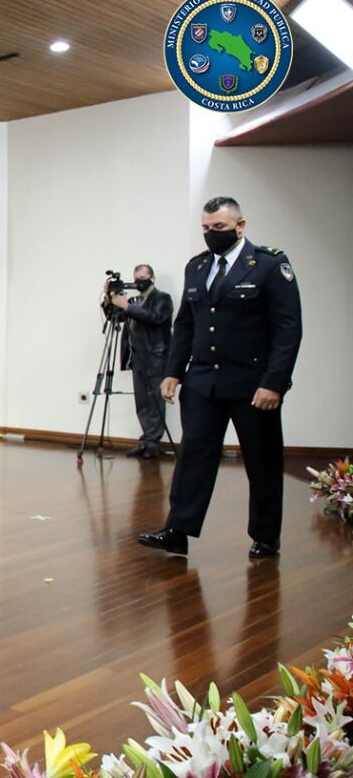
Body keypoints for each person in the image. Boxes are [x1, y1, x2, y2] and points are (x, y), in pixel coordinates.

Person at [139, 197, 301, 559]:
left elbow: (288, 330)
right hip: (202, 383)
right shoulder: (197, 267)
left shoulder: (270, 265)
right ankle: (177, 530)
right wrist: (172, 372)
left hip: (252, 385)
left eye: (220, 228)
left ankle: (265, 537)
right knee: (193, 457)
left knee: (262, 462)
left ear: (240, 226)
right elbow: (186, 325)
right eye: (207, 228)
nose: (212, 234)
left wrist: (274, 382)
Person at [107, 264, 173, 458]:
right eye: (136, 279)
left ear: (152, 277)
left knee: (155, 402)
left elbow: (155, 318)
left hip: (156, 357)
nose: (139, 282)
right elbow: (116, 318)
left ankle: (153, 443)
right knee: (142, 401)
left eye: (143, 277)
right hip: (137, 357)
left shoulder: (162, 298)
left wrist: (127, 306)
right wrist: (109, 298)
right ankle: (146, 441)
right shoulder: (134, 300)